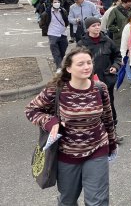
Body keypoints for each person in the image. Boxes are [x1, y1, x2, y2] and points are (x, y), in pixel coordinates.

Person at [25, 47, 117, 206]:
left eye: (89, 62)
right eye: (80, 64)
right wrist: (51, 121)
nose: (86, 67)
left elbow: (108, 118)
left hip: (97, 149)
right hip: (66, 154)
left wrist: (112, 143)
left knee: (98, 201)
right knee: (67, 200)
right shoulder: (56, 90)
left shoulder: (100, 88)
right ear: (68, 68)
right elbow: (31, 110)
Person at [78, 17, 123, 138]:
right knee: (92, 108)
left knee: (109, 106)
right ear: (88, 28)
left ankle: (112, 132)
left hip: (107, 81)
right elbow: (76, 62)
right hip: (90, 82)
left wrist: (115, 66)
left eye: (98, 24)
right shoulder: (82, 44)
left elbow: (117, 56)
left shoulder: (107, 41)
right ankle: (95, 134)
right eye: (94, 25)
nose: (97, 27)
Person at [39, 0, 69, 70]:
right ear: (51, 3)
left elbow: (66, 20)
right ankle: (59, 67)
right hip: (52, 33)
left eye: (58, 2)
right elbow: (42, 23)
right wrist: (46, 29)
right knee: (55, 51)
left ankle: (60, 63)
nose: (57, 3)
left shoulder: (63, 11)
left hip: (62, 33)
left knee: (63, 49)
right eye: (55, 2)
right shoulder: (47, 12)